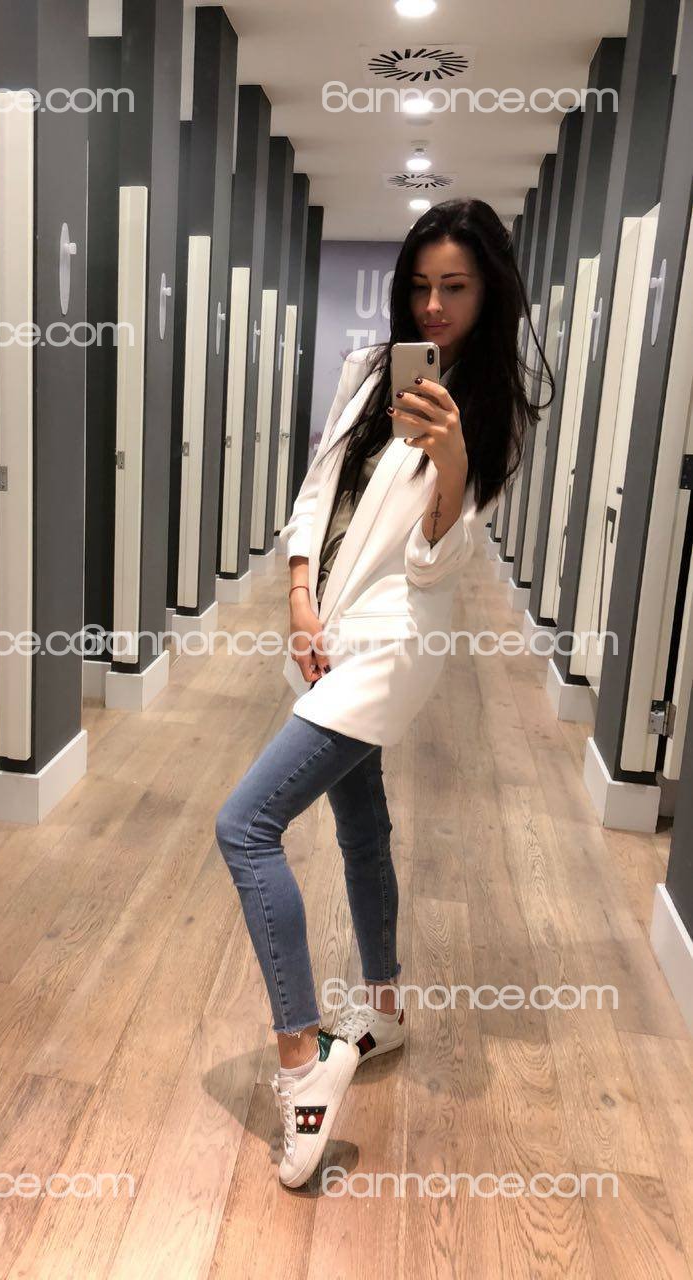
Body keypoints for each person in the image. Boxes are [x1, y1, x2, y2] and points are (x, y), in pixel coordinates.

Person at [214, 198, 553, 1188]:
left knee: (245, 825)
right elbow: (317, 490)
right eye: (421, 286)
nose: (434, 306)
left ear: (490, 292)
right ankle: (387, 1005)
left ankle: (303, 1061)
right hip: (327, 628)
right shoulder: (371, 371)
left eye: (456, 287)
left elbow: (433, 563)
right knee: (361, 826)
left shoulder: (494, 415)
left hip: (392, 646)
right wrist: (298, 598)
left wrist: (450, 461)